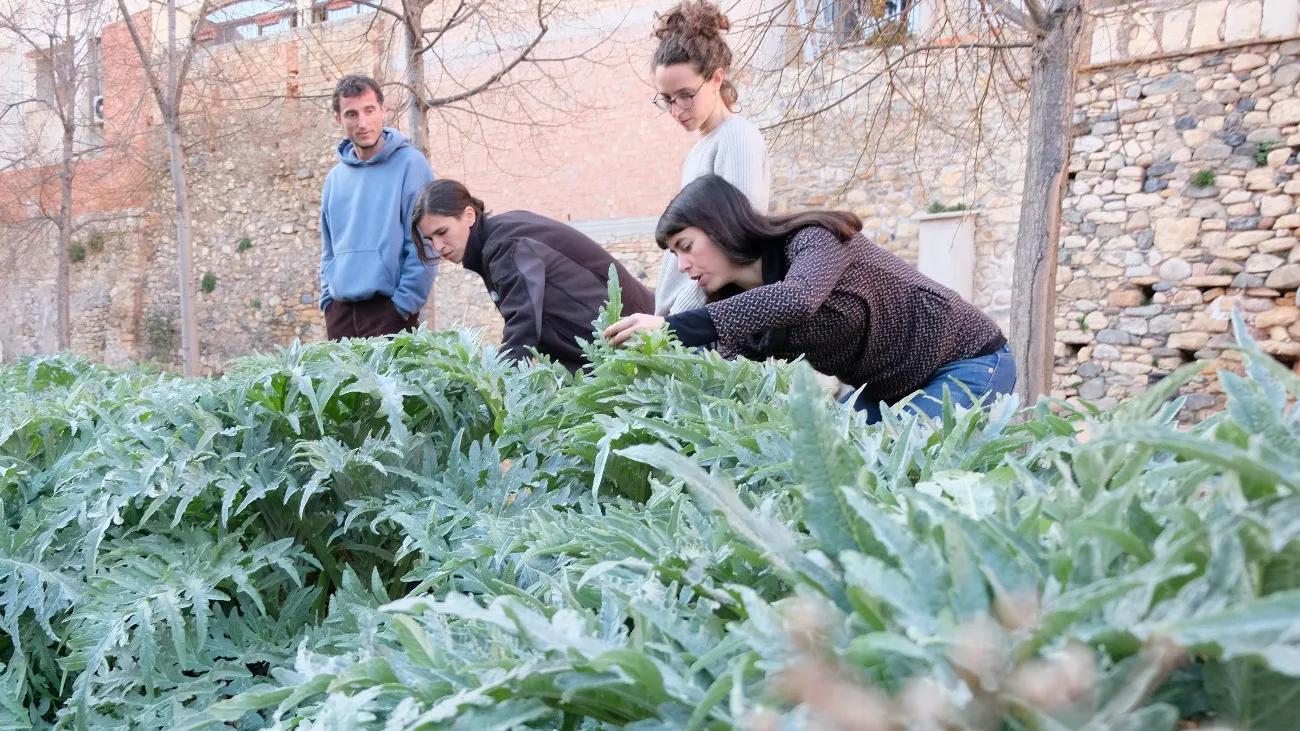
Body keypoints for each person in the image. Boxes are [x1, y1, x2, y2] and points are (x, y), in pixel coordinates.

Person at [604, 176, 1016, 422]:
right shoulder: (741, 309)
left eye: (685, 245)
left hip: (968, 361)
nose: (681, 264)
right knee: (832, 469)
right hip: (886, 390)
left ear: (720, 226)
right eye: (674, 254)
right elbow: (720, 374)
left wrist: (671, 327)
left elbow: (798, 298)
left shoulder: (813, 240)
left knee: (900, 471)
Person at [412, 179, 654, 371]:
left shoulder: (505, 246)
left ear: (468, 215)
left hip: (639, 341)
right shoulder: (498, 239)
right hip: (614, 346)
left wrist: (496, 387)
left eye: (442, 232)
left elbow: (523, 324)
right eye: (430, 239)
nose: (438, 246)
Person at [650, 1, 771, 319]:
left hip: (709, 325)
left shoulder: (737, 138)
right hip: (683, 320)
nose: (677, 110)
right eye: (667, 99)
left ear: (717, 79)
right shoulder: (700, 149)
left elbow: (737, 245)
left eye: (686, 95)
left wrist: (679, 324)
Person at [319, 75, 435, 340]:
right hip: (341, 317)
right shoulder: (334, 179)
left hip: (390, 312)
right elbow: (328, 250)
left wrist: (404, 306)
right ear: (339, 119)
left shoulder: (411, 165)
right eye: (351, 114)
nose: (362, 123)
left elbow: (424, 243)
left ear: (383, 110)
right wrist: (328, 303)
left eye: (369, 110)